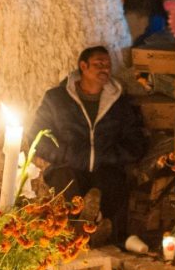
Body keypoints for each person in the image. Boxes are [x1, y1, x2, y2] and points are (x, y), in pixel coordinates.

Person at [30, 46, 148, 242]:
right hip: (68, 165)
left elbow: (136, 142)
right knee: (67, 183)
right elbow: (37, 137)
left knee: (112, 184)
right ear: (83, 66)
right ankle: (85, 227)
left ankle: (93, 225)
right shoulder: (56, 99)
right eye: (98, 64)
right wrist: (68, 154)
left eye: (108, 65)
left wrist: (108, 155)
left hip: (106, 166)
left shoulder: (120, 103)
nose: (105, 69)